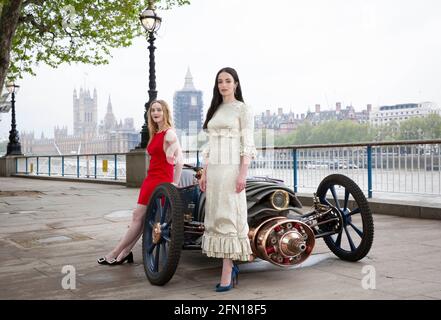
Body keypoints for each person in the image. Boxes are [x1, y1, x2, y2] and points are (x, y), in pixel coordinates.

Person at [97, 99, 183, 265]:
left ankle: (114, 253)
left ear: (165, 112)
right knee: (141, 220)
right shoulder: (155, 133)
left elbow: (179, 159)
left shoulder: (169, 133)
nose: (155, 113)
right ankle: (125, 253)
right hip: (150, 179)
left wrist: (175, 183)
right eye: (152, 111)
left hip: (161, 182)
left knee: (137, 217)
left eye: (159, 110)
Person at [199, 67, 257, 292]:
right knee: (214, 215)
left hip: (232, 168)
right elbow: (210, 145)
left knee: (229, 214)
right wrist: (204, 171)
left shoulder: (242, 109)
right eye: (220, 81)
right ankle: (228, 266)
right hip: (214, 169)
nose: (223, 85)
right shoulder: (215, 109)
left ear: (236, 84)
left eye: (228, 81)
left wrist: (243, 173)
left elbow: (247, 144)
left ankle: (227, 268)